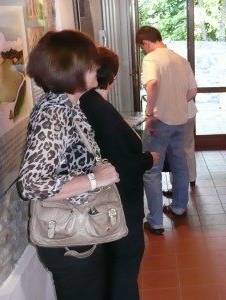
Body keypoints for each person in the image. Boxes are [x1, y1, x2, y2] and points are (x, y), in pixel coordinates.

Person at [17, 30, 120, 300]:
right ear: (72, 69)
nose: (96, 67)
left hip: (78, 226)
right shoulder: (54, 113)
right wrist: (95, 180)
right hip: (68, 235)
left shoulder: (67, 104)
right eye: (89, 63)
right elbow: (32, 184)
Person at [79, 46, 158, 300]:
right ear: (111, 76)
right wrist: (149, 159)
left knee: (115, 267)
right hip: (120, 204)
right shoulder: (98, 108)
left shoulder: (85, 103)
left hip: (106, 203)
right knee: (125, 265)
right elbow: (118, 165)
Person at [136, 25, 198, 234]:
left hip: (160, 122)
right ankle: (179, 207)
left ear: (145, 43)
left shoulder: (151, 59)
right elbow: (192, 90)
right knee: (179, 164)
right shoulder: (181, 60)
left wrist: (150, 112)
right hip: (180, 121)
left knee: (152, 171)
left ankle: (155, 221)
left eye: (142, 47)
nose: (143, 51)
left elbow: (151, 84)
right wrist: (177, 104)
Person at [163, 100, 197, 198]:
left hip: (175, 115)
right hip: (190, 112)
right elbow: (193, 90)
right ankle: (192, 178)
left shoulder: (167, 83)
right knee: (188, 146)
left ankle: (176, 185)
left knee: (174, 150)